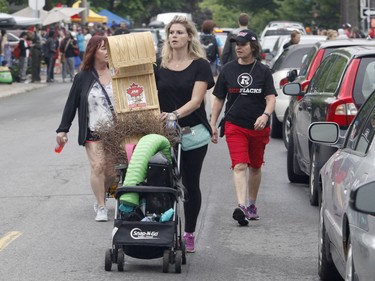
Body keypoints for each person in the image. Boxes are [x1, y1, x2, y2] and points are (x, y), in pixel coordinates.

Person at [155, 15, 214, 252]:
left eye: (179, 32)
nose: (174, 36)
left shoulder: (200, 65)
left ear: (189, 36)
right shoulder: (159, 65)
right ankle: (160, 227)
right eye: (171, 33)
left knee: (189, 183)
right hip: (162, 132)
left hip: (191, 130)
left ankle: (189, 232)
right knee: (160, 179)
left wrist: (174, 115)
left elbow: (197, 101)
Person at [210, 30, 277, 226]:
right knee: (239, 165)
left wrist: (265, 115)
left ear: (253, 47)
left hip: (258, 127)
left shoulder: (263, 71)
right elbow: (219, 98)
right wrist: (213, 123)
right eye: (236, 44)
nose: (238, 47)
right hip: (234, 124)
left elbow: (271, 98)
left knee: (255, 166)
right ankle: (241, 206)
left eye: (243, 44)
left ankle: (252, 204)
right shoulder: (228, 70)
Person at [56, 35, 116, 222]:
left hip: (116, 131)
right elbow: (71, 104)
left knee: (113, 173)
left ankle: (103, 192)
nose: (107, 52)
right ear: (93, 52)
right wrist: (62, 129)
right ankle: (101, 205)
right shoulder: (82, 77)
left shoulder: (117, 73)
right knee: (98, 166)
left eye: (109, 48)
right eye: (103, 48)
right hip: (93, 130)